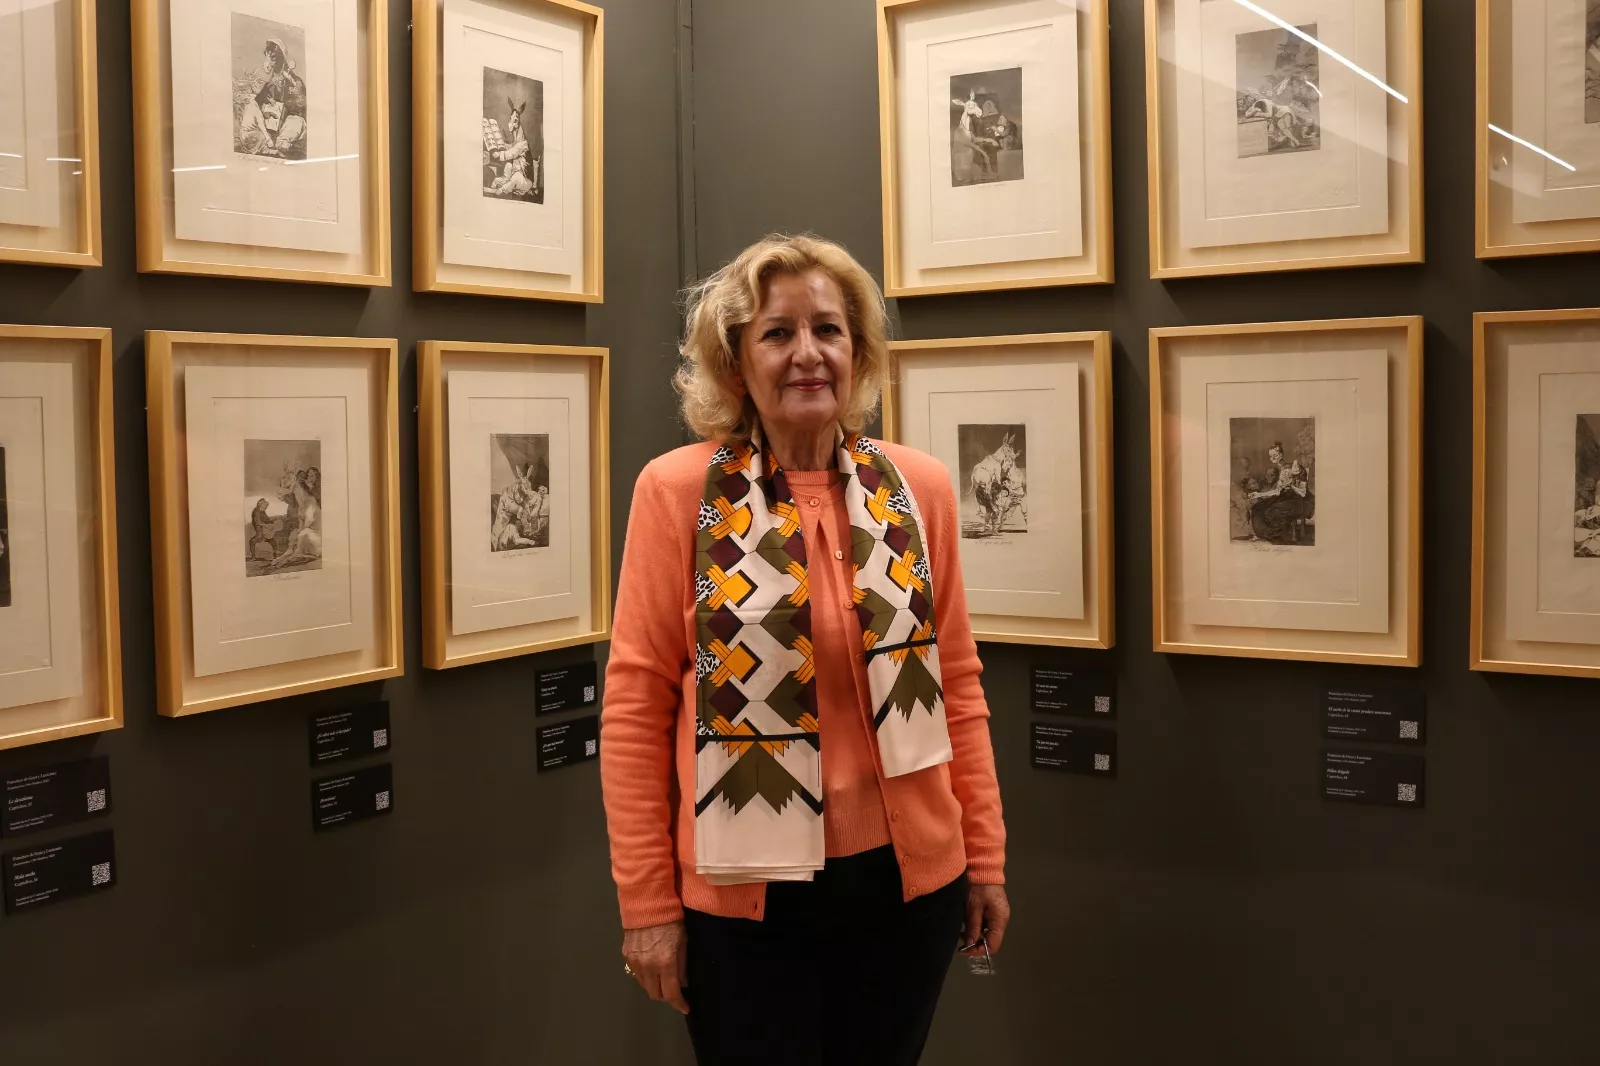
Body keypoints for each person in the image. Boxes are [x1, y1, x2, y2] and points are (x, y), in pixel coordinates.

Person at [601, 234, 1009, 1066]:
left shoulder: (919, 487)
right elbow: (638, 710)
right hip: (744, 899)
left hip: (907, 885)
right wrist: (646, 905)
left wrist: (985, 858)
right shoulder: (677, 493)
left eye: (828, 329)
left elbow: (956, 684)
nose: (807, 354)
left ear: (857, 351)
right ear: (735, 361)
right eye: (777, 333)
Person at [238, 39, 307, 159]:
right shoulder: (268, 86)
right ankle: (267, 146)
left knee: (295, 122)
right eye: (267, 56)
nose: (268, 62)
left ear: (282, 60)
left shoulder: (295, 82)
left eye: (273, 58)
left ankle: (280, 145)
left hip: (287, 127)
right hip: (269, 131)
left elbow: (300, 106)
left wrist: (284, 104)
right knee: (250, 110)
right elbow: (258, 107)